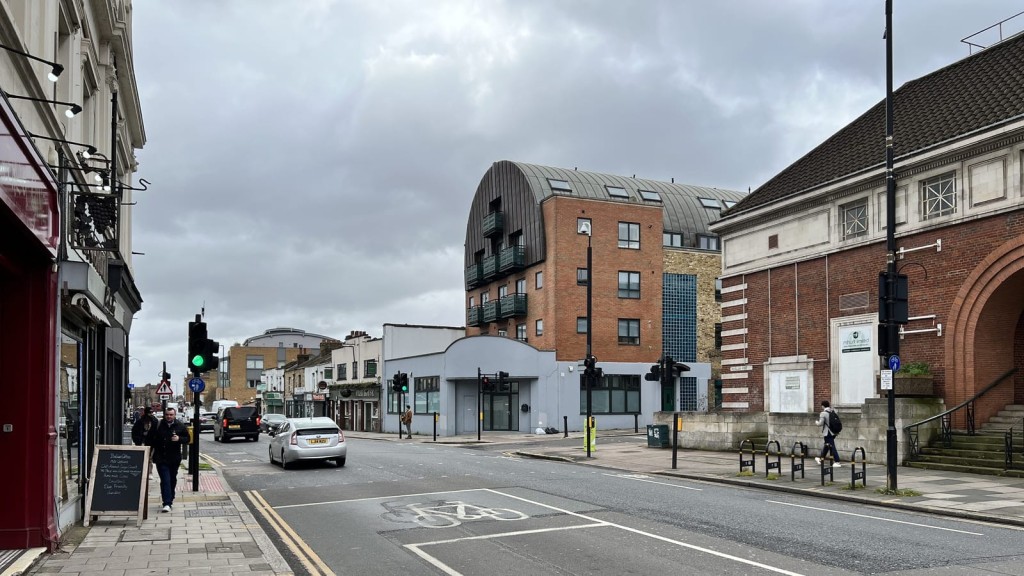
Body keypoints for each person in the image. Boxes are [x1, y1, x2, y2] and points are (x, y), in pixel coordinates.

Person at [147, 407, 189, 512]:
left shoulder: (180, 426)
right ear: (164, 415)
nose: (169, 417)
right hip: (161, 458)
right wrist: (148, 452)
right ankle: (167, 503)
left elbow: (187, 439)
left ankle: (170, 497)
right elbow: (150, 439)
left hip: (174, 458)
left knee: (172, 479)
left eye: (171, 415)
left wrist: (179, 439)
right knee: (165, 480)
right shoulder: (158, 425)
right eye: (167, 415)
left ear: (174, 415)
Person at [814, 400, 841, 466]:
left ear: (823, 406)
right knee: (826, 446)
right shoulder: (832, 411)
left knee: (832, 446)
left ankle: (837, 461)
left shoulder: (823, 413)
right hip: (833, 432)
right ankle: (821, 459)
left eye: (822, 406)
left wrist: (816, 422)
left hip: (827, 432)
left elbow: (820, 423)